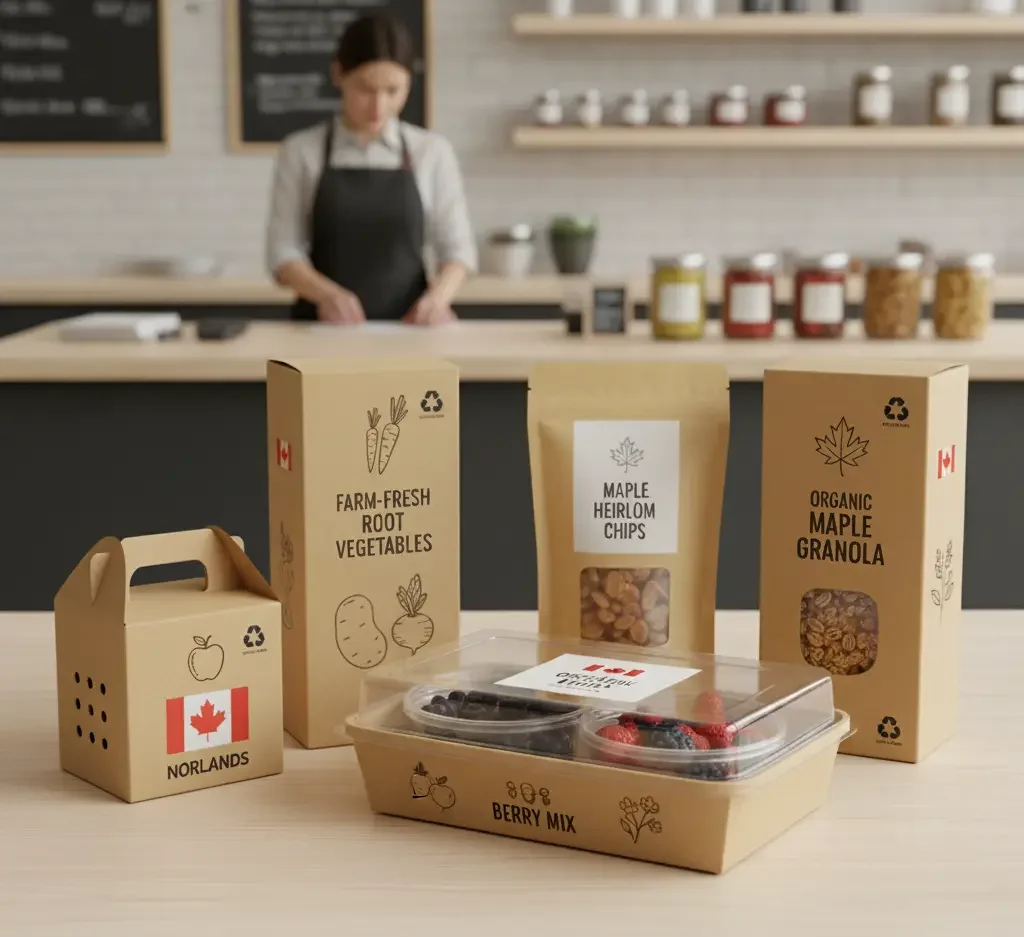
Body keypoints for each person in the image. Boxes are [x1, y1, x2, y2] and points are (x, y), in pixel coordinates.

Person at [265, 12, 476, 325]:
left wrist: (438, 298)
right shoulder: (300, 152)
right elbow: (282, 252)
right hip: (321, 329)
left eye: (393, 91)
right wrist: (327, 295)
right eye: (365, 89)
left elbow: (458, 250)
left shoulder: (432, 152)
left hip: (411, 330)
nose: (379, 107)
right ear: (338, 74)